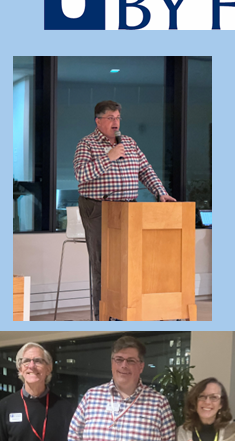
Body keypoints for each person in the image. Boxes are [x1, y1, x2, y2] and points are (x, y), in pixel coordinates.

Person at [73, 101, 177, 320]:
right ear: (98, 120)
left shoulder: (129, 142)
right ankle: (103, 315)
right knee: (104, 265)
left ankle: (126, 312)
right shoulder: (87, 144)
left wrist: (160, 192)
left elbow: (145, 170)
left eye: (118, 117)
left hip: (129, 209)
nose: (115, 122)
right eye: (110, 117)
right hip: (99, 207)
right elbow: (81, 175)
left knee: (130, 264)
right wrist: (108, 156)